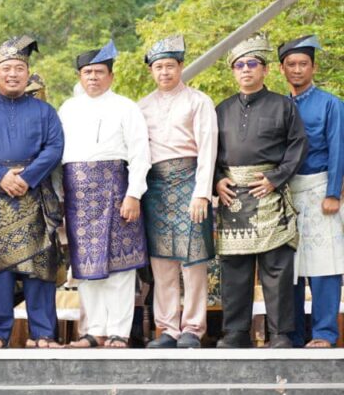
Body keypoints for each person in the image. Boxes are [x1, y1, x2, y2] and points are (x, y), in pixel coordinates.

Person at [214, 33, 308, 349]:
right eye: (239, 65)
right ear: (233, 71)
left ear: (265, 70)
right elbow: (209, 151)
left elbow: (298, 146)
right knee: (235, 270)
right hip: (232, 199)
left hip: (269, 194)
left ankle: (280, 334)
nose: (245, 70)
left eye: (252, 64)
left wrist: (276, 179)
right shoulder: (221, 109)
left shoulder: (283, 106)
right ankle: (236, 333)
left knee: (276, 269)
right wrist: (216, 179)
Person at [58, 41, 150, 349]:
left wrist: (134, 194)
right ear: (80, 76)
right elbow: (59, 158)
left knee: (119, 267)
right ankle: (93, 330)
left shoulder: (126, 107)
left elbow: (140, 154)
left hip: (115, 190)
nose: (93, 78)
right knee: (85, 268)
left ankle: (118, 332)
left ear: (110, 76)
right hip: (78, 196)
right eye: (87, 72)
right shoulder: (67, 109)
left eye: (99, 72)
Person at [0, 36, 64, 349]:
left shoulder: (45, 111)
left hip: (35, 194)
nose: (13, 74)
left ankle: (43, 334)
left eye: (19, 68)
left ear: (28, 74)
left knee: (40, 266)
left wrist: (28, 177)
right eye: (7, 68)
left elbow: (54, 147)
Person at [138, 35, 218, 349]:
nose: (165, 72)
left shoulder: (199, 101)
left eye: (170, 66)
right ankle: (168, 328)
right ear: (151, 71)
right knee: (162, 263)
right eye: (159, 67)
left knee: (193, 260)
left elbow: (208, 149)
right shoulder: (141, 106)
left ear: (181, 66)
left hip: (189, 181)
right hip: (155, 187)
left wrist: (202, 192)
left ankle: (194, 328)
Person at [277, 35, 343, 348]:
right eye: (291, 64)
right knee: (288, 267)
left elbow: (339, 149)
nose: (298, 69)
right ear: (282, 69)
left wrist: (334, 193)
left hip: (320, 190)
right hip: (286, 194)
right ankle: (291, 334)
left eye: (304, 63)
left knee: (325, 266)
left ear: (313, 68)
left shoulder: (331, 104)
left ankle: (324, 333)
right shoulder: (277, 105)